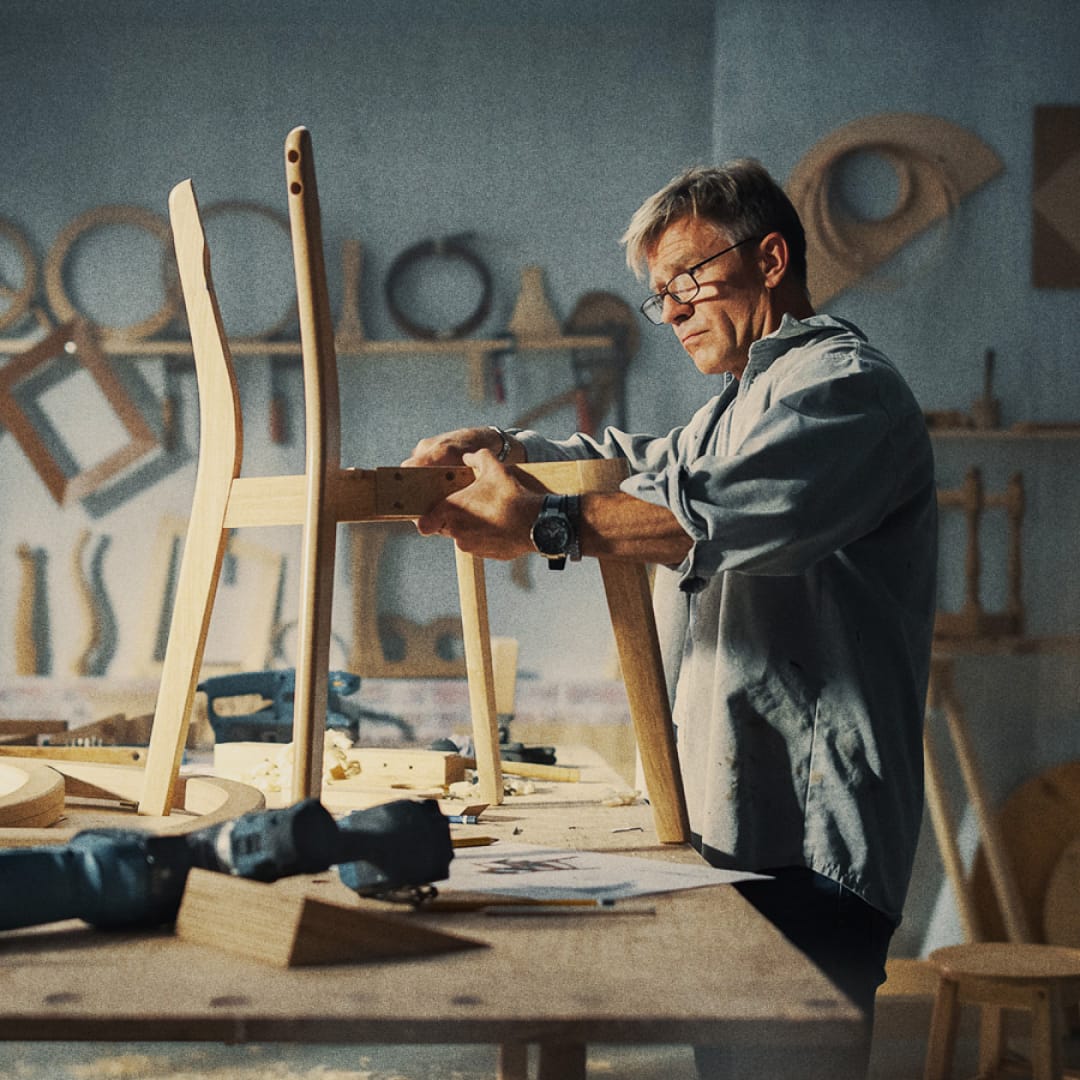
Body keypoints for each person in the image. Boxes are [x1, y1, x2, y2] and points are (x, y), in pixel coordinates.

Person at [403, 160, 937, 1076]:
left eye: (689, 280)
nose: (675, 309)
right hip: (742, 826)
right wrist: (508, 448)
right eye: (660, 295)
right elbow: (635, 461)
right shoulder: (739, 404)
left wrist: (547, 521)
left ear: (771, 259)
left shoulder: (845, 390)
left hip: (810, 841)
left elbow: (721, 513)